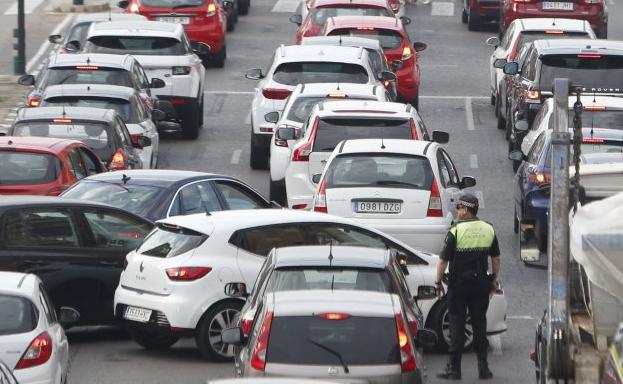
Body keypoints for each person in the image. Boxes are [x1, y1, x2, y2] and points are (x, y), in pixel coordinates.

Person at [435, 192, 501, 380]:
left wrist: (438, 282)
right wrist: (494, 280)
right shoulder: (488, 229)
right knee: (480, 325)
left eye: (458, 207)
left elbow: (442, 261)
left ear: (465, 210)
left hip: (459, 287)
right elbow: (496, 258)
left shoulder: (456, 232)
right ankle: (484, 369)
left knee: (457, 326)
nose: (457, 211)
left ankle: (454, 370)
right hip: (480, 285)